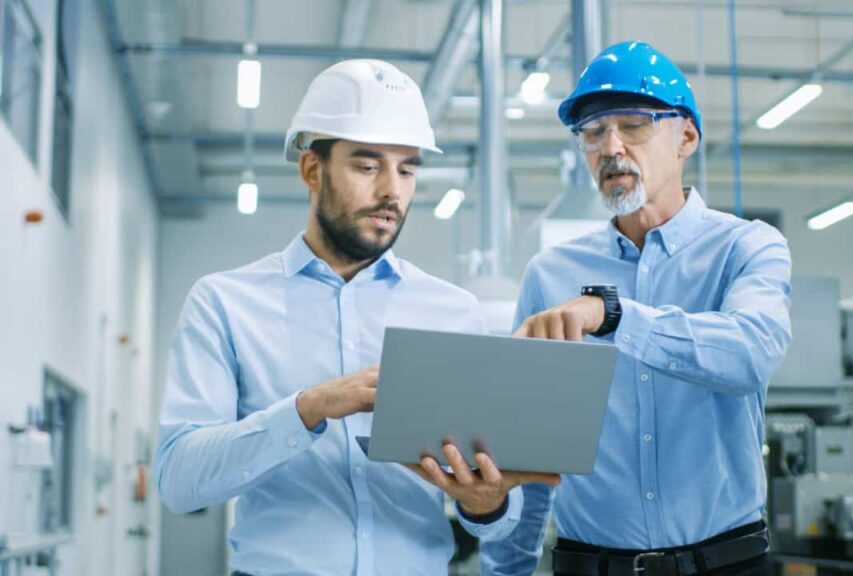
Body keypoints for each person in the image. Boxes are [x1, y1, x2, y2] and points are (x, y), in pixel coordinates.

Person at [156, 59, 558, 576]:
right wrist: (309, 408)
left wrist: (486, 502)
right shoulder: (225, 303)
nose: (392, 190)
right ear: (311, 169)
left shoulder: (452, 313)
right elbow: (178, 479)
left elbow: (498, 518)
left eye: (407, 168)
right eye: (368, 167)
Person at [481, 41, 792, 576]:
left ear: (686, 136)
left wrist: (614, 314)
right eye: (594, 132)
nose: (611, 146)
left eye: (635, 124)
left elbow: (750, 354)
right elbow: (529, 456)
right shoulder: (550, 275)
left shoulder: (747, 248)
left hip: (727, 564)